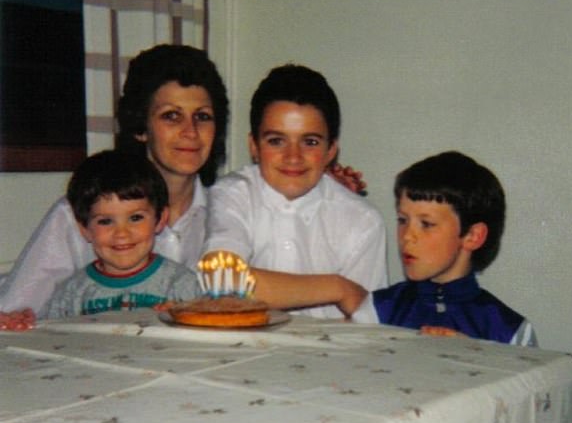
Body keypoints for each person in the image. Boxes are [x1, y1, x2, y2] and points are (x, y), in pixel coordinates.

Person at [0, 44, 229, 317]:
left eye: (202, 117)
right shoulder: (78, 212)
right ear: (140, 127)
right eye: (171, 116)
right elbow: (14, 312)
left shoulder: (228, 211)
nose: (190, 132)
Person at [200, 64, 388, 318]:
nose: (293, 157)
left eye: (309, 142)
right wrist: (338, 287)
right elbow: (223, 281)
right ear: (253, 145)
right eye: (276, 141)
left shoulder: (362, 221)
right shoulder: (232, 193)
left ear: (331, 151)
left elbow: (367, 322)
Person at [352, 151, 537, 346]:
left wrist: (479, 356)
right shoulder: (377, 311)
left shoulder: (509, 330)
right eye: (402, 220)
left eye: (426, 224)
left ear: (472, 236)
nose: (407, 236)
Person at [44, 150, 200, 319]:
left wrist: (182, 319)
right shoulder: (71, 293)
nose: (122, 234)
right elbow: (48, 338)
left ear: (160, 219)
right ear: (84, 229)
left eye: (135, 218)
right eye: (105, 221)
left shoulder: (182, 285)